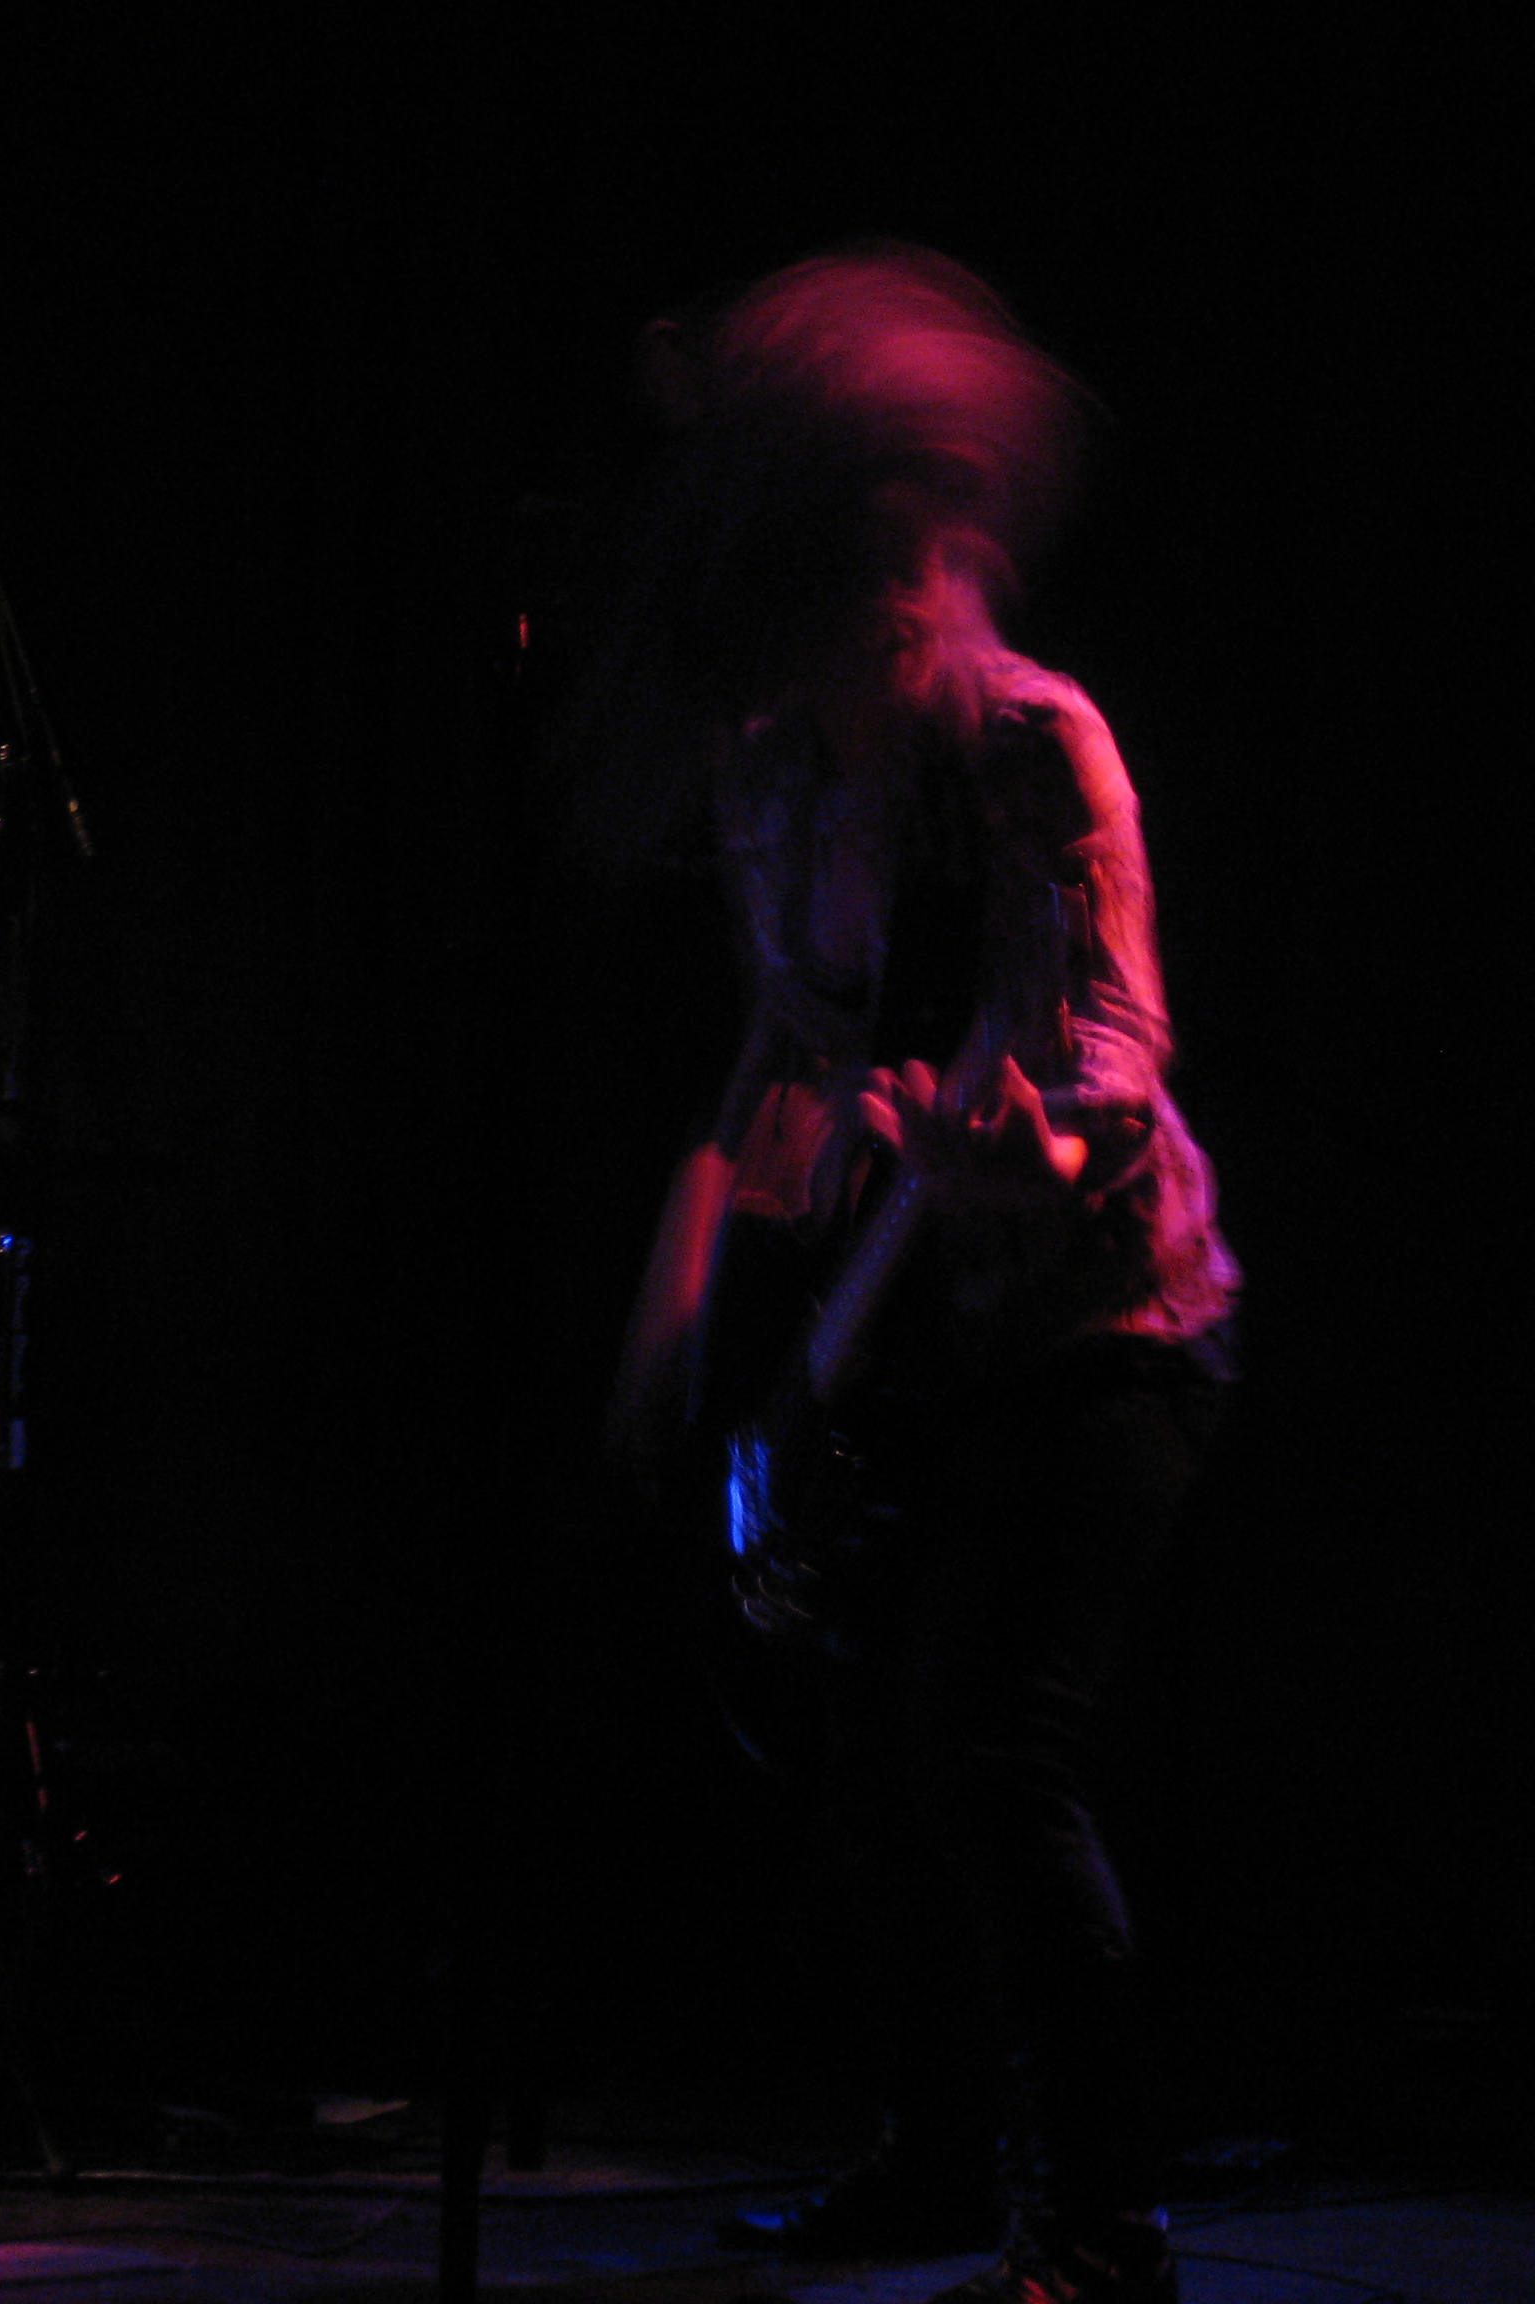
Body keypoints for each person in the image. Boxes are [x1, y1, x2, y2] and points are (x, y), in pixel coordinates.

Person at [592, 247, 1239, 2304]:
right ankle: (944, 2162)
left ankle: (1104, 2222)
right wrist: (690, 1282)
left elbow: (1114, 1053)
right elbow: (788, 1040)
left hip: (1099, 1328)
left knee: (996, 1757)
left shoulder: (1030, 748)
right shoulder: (774, 764)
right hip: (904, 1343)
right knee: (875, 1768)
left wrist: (1021, 1149)